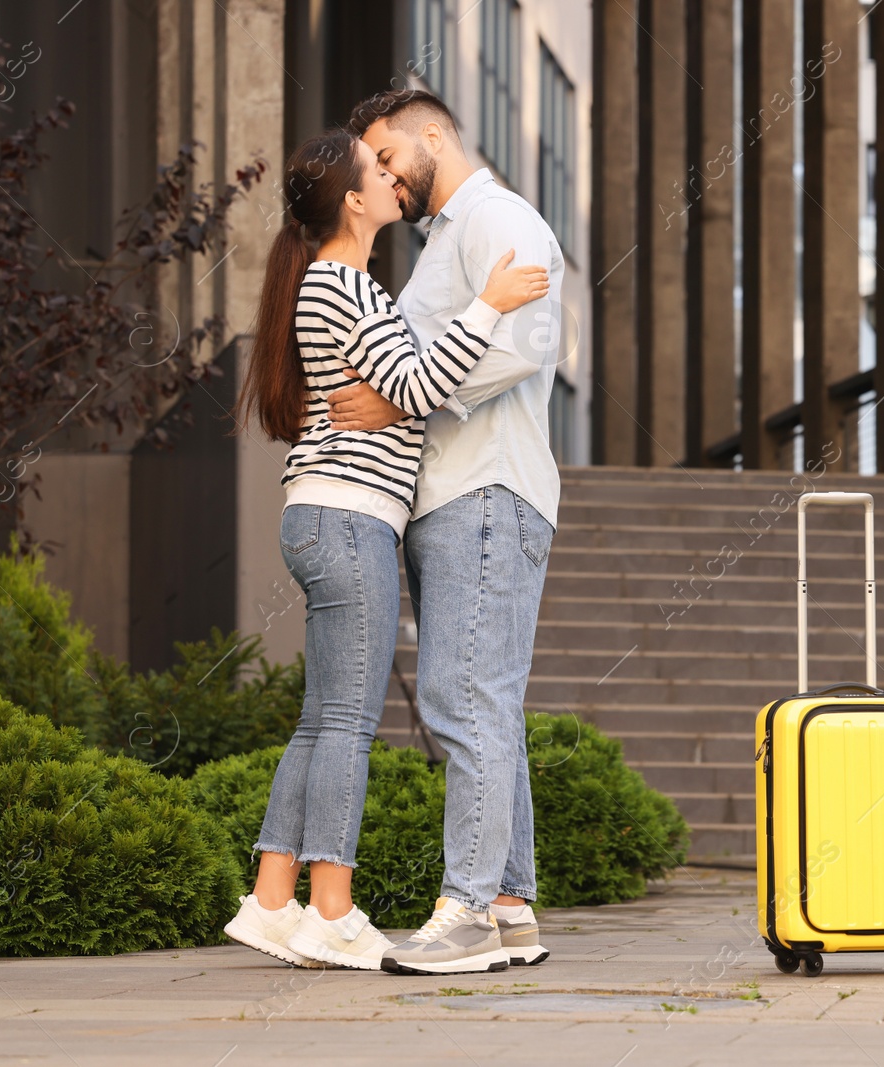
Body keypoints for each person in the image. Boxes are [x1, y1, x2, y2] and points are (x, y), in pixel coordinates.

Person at [221, 127, 548, 971]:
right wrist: (492, 303)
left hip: (332, 518)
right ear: (354, 200)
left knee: (320, 719)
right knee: (345, 724)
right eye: (377, 169)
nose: (393, 178)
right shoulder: (344, 288)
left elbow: (398, 387)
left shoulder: (341, 286)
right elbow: (417, 388)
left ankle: (269, 899)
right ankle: (332, 911)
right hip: (352, 519)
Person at [325, 89, 563, 976]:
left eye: (388, 159)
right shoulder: (452, 236)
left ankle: (463, 913)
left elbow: (527, 342)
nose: (382, 177)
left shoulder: (497, 216)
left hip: (486, 490)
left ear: (433, 136)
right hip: (461, 494)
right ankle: (506, 902)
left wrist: (402, 394)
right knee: (485, 699)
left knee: (463, 700)